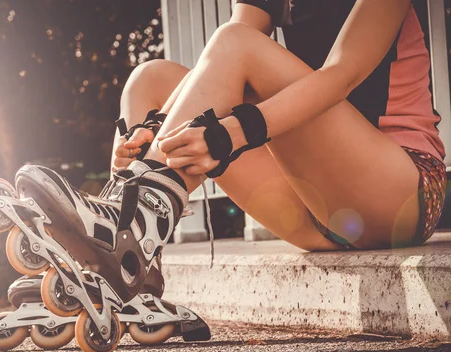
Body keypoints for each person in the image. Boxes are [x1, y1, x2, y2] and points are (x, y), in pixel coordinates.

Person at [111, 0, 446, 251]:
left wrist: (235, 132)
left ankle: (124, 225)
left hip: (401, 198)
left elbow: (343, 74)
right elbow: (218, 60)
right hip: (318, 207)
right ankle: (123, 257)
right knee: (149, 78)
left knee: (237, 42)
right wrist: (154, 129)